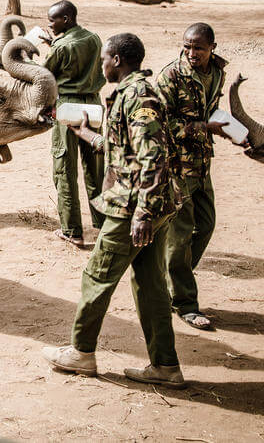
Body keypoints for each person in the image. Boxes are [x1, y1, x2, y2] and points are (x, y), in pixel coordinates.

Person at [42, 33, 186, 388]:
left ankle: (81, 352)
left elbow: (153, 156)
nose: (101, 64)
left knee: (97, 276)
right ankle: (165, 366)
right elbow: (125, 150)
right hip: (149, 205)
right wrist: (86, 133)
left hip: (133, 208)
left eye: (105, 58)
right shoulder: (131, 93)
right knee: (151, 286)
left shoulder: (138, 96)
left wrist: (143, 214)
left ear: (117, 60)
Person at [156, 22, 228, 331]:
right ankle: (185, 302)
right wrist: (201, 128)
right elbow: (157, 124)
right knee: (181, 233)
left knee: (207, 225)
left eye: (198, 47)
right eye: (187, 46)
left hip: (202, 163)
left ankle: (174, 275)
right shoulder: (170, 76)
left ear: (212, 47)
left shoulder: (218, 72)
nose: (191, 53)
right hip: (177, 167)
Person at [41, 0, 105, 247]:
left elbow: (46, 75)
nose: (50, 24)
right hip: (93, 106)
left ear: (66, 19)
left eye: (53, 20)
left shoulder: (60, 48)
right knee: (95, 166)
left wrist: (50, 48)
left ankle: (72, 230)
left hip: (67, 109)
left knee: (64, 169)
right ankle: (101, 222)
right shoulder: (94, 38)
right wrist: (53, 42)